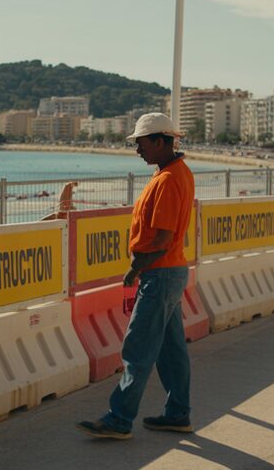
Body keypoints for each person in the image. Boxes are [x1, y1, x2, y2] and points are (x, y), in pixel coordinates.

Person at [77, 113, 195, 439]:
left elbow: (162, 237)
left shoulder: (169, 179)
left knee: (138, 347)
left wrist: (136, 267)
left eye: (140, 143)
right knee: (171, 351)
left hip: (160, 273)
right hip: (169, 272)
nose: (137, 150)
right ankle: (177, 414)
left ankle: (120, 418)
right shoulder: (174, 174)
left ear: (159, 141)